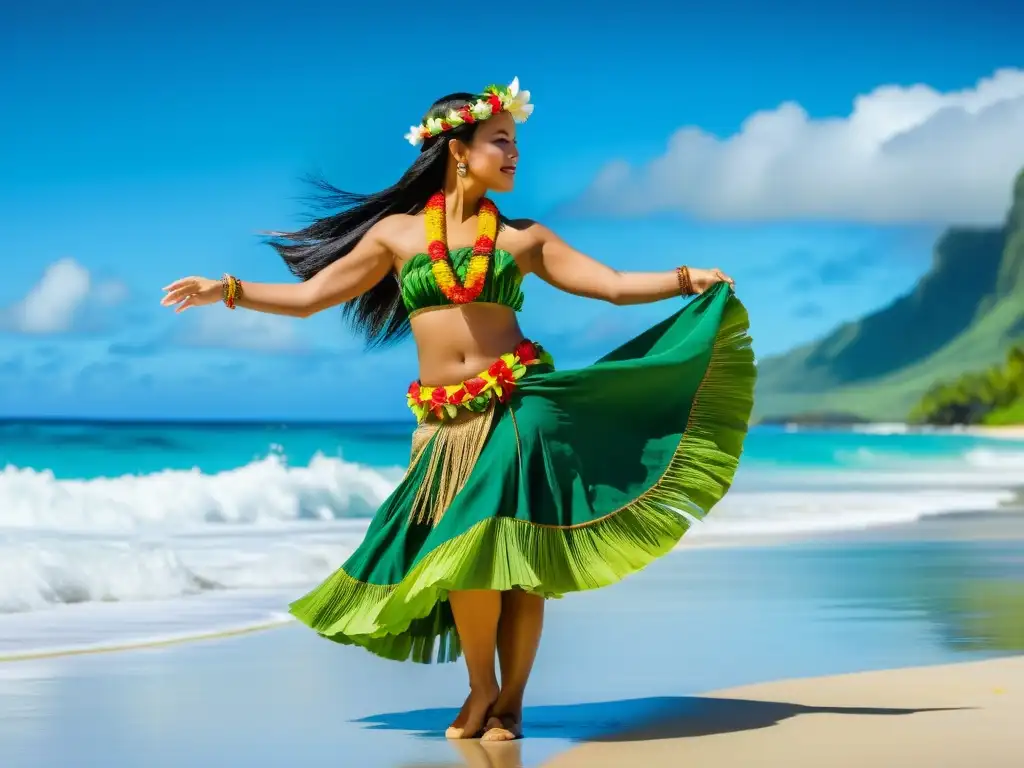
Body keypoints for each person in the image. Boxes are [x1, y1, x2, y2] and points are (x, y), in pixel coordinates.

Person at [160, 77, 756, 742]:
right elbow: (313, 298)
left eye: (515, 143)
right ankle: (482, 688)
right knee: (465, 559)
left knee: (511, 564)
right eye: (501, 140)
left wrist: (685, 279)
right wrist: (230, 289)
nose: (514, 153)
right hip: (443, 429)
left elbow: (612, 287)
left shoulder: (523, 238)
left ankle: (508, 705)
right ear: (458, 150)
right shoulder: (397, 237)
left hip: (518, 412)